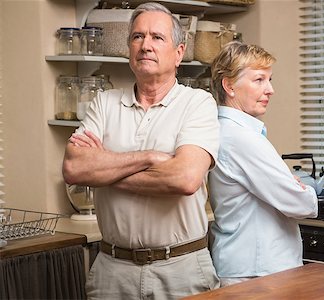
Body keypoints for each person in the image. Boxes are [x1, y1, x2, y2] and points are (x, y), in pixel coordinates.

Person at [62, 2, 220, 299]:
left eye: (157, 38)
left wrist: (104, 170)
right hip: (112, 269)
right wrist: (150, 158)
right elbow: (74, 169)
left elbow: (184, 179)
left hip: (181, 268)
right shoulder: (105, 102)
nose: (145, 45)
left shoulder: (197, 103)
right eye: (137, 37)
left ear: (179, 53)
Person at [208, 41, 318, 287]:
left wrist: (289, 185)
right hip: (258, 272)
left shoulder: (229, 130)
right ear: (229, 85)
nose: (270, 90)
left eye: (269, 80)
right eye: (259, 80)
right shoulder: (241, 138)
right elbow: (301, 204)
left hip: (249, 266)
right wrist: (304, 190)